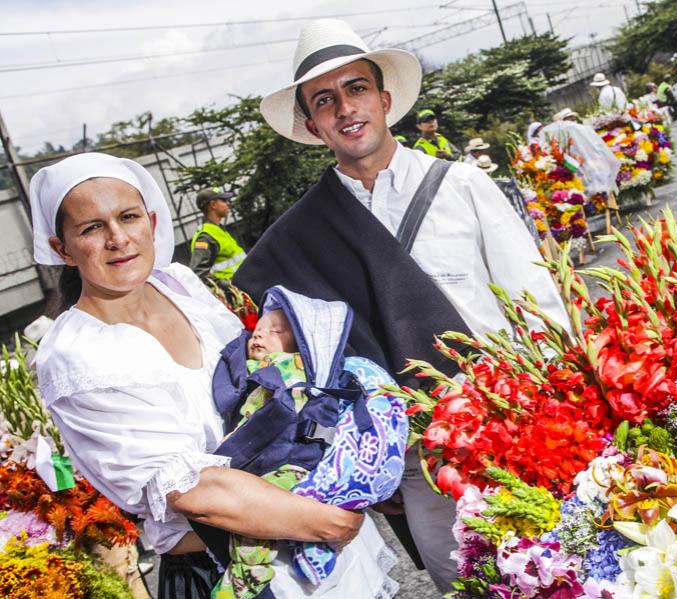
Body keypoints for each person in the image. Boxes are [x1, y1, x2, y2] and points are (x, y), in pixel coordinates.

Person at [235, 18, 569, 593]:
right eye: (324, 100)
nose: (345, 108)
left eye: (357, 89)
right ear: (313, 125)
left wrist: (559, 408)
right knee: (466, 580)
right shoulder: (299, 239)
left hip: (519, 428)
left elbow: (538, 307)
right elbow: (312, 371)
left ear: (385, 99)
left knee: (562, 568)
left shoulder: (462, 186)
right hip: (419, 463)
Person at [29, 152, 395, 598]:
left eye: (128, 217)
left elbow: (266, 383)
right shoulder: (76, 354)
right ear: (61, 248)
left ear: (151, 219)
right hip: (226, 568)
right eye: (91, 228)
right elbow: (192, 490)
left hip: (310, 529)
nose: (119, 238)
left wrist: (352, 467)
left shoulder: (179, 284)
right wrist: (329, 519)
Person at [212, 287, 408, 596]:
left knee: (253, 520)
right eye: (257, 331)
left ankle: (244, 579)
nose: (259, 336)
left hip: (290, 467)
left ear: (301, 345)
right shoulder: (254, 372)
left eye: (275, 331)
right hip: (276, 466)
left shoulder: (289, 374)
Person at [189, 186, 246, 281]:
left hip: (243, 287)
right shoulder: (205, 237)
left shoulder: (218, 230)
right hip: (234, 292)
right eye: (224, 200)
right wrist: (225, 287)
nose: (228, 203)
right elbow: (199, 273)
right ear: (213, 204)